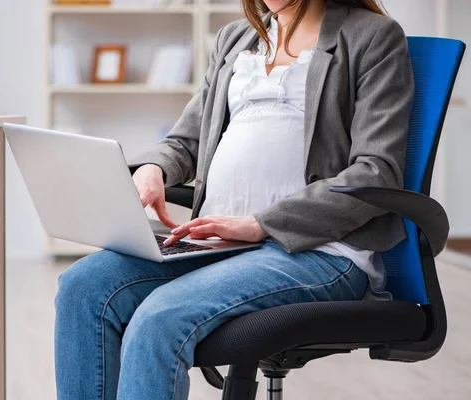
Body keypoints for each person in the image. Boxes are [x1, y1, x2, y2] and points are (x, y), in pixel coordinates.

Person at [54, 0, 414, 398]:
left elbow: (376, 171)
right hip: (214, 243)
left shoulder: (371, 36)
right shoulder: (236, 39)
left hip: (316, 251)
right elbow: (185, 141)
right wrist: (154, 170)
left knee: (160, 317)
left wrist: (261, 224)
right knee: (82, 287)